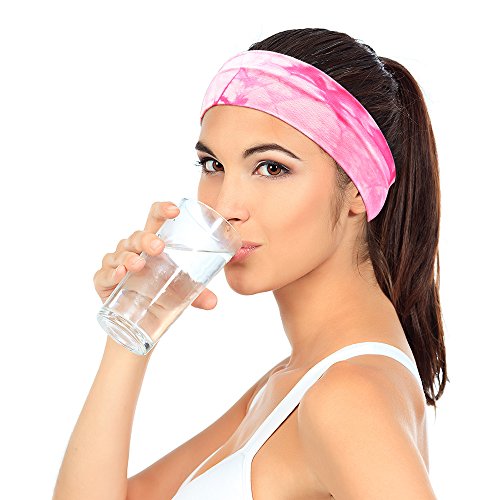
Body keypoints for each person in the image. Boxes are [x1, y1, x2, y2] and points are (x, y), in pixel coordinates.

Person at [53, 28, 446, 499]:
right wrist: (134, 319)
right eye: (213, 165)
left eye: (271, 168)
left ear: (359, 191)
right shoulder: (293, 381)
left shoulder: (346, 396)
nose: (225, 206)